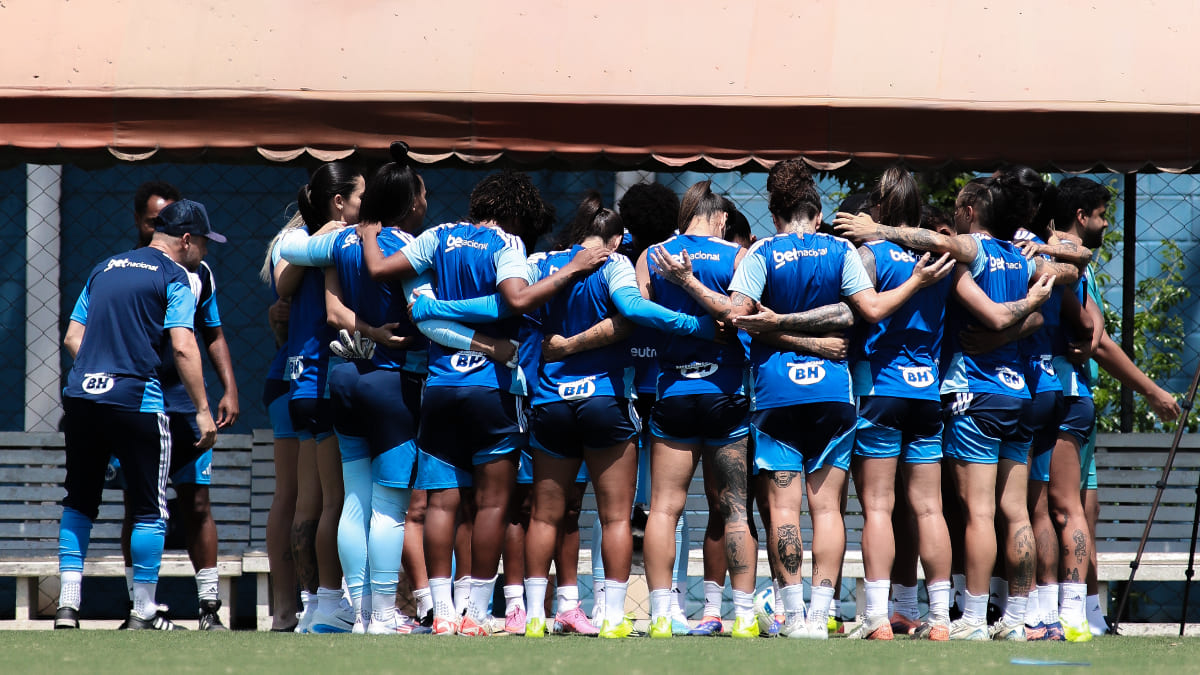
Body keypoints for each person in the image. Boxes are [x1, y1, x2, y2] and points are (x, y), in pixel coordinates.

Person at [656, 161, 950, 639]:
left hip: (776, 397)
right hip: (833, 394)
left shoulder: (761, 253)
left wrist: (691, 284)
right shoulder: (841, 249)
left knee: (783, 511)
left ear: (774, 216)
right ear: (816, 216)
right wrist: (914, 282)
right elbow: (865, 311)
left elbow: (737, 317)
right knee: (828, 510)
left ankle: (794, 618)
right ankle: (820, 612)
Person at [358, 169, 607, 636]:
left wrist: (370, 227)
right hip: (494, 385)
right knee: (493, 504)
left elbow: (378, 270)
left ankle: (442, 613)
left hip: (441, 385)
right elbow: (515, 299)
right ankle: (474, 612)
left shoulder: (438, 236)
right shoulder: (508, 245)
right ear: (515, 214)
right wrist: (572, 270)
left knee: (441, 504)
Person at [835, 174, 1079, 641]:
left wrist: (878, 233)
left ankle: (892, 617)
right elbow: (1071, 270)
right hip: (981, 393)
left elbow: (870, 306)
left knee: (893, 509)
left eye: (963, 206)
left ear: (971, 213)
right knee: (980, 512)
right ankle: (982, 619)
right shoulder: (1006, 256)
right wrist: (1037, 283)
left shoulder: (958, 252)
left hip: (936, 389)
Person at [521, 195, 718, 639]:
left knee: (545, 516)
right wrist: (696, 326)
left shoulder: (539, 263)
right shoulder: (614, 264)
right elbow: (633, 310)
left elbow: (514, 299)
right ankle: (612, 616)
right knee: (615, 517)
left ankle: (535, 616)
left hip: (551, 400)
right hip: (603, 400)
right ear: (613, 238)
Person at [56, 199, 220, 630]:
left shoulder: (104, 267)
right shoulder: (176, 276)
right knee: (150, 508)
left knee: (79, 502)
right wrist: (202, 410)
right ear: (186, 240)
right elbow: (184, 346)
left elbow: (74, 336)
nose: (205, 252)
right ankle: (143, 612)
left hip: (83, 397)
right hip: (138, 401)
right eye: (203, 243)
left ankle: (67, 607)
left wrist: (100, 367)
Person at [112, 182, 240, 631]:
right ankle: (139, 607)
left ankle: (209, 609)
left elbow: (211, 333)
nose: (159, 228)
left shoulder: (199, 273)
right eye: (152, 221)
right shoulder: (123, 271)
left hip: (186, 403)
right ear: (140, 224)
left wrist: (228, 387)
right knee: (138, 503)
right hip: (140, 402)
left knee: (197, 501)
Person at [840, 167, 955, 640]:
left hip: (881, 389)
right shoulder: (943, 258)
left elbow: (855, 315)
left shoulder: (870, 254)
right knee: (930, 509)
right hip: (927, 392)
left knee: (879, 509)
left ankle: (876, 618)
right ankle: (943, 619)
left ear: (882, 209)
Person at [274, 162, 365, 632]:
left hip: (298, 385)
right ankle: (331, 602)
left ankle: (312, 605)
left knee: (308, 506)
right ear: (338, 202)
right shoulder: (336, 243)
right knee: (336, 503)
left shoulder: (300, 243)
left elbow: (281, 284)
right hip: (325, 380)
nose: (364, 209)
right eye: (360, 199)